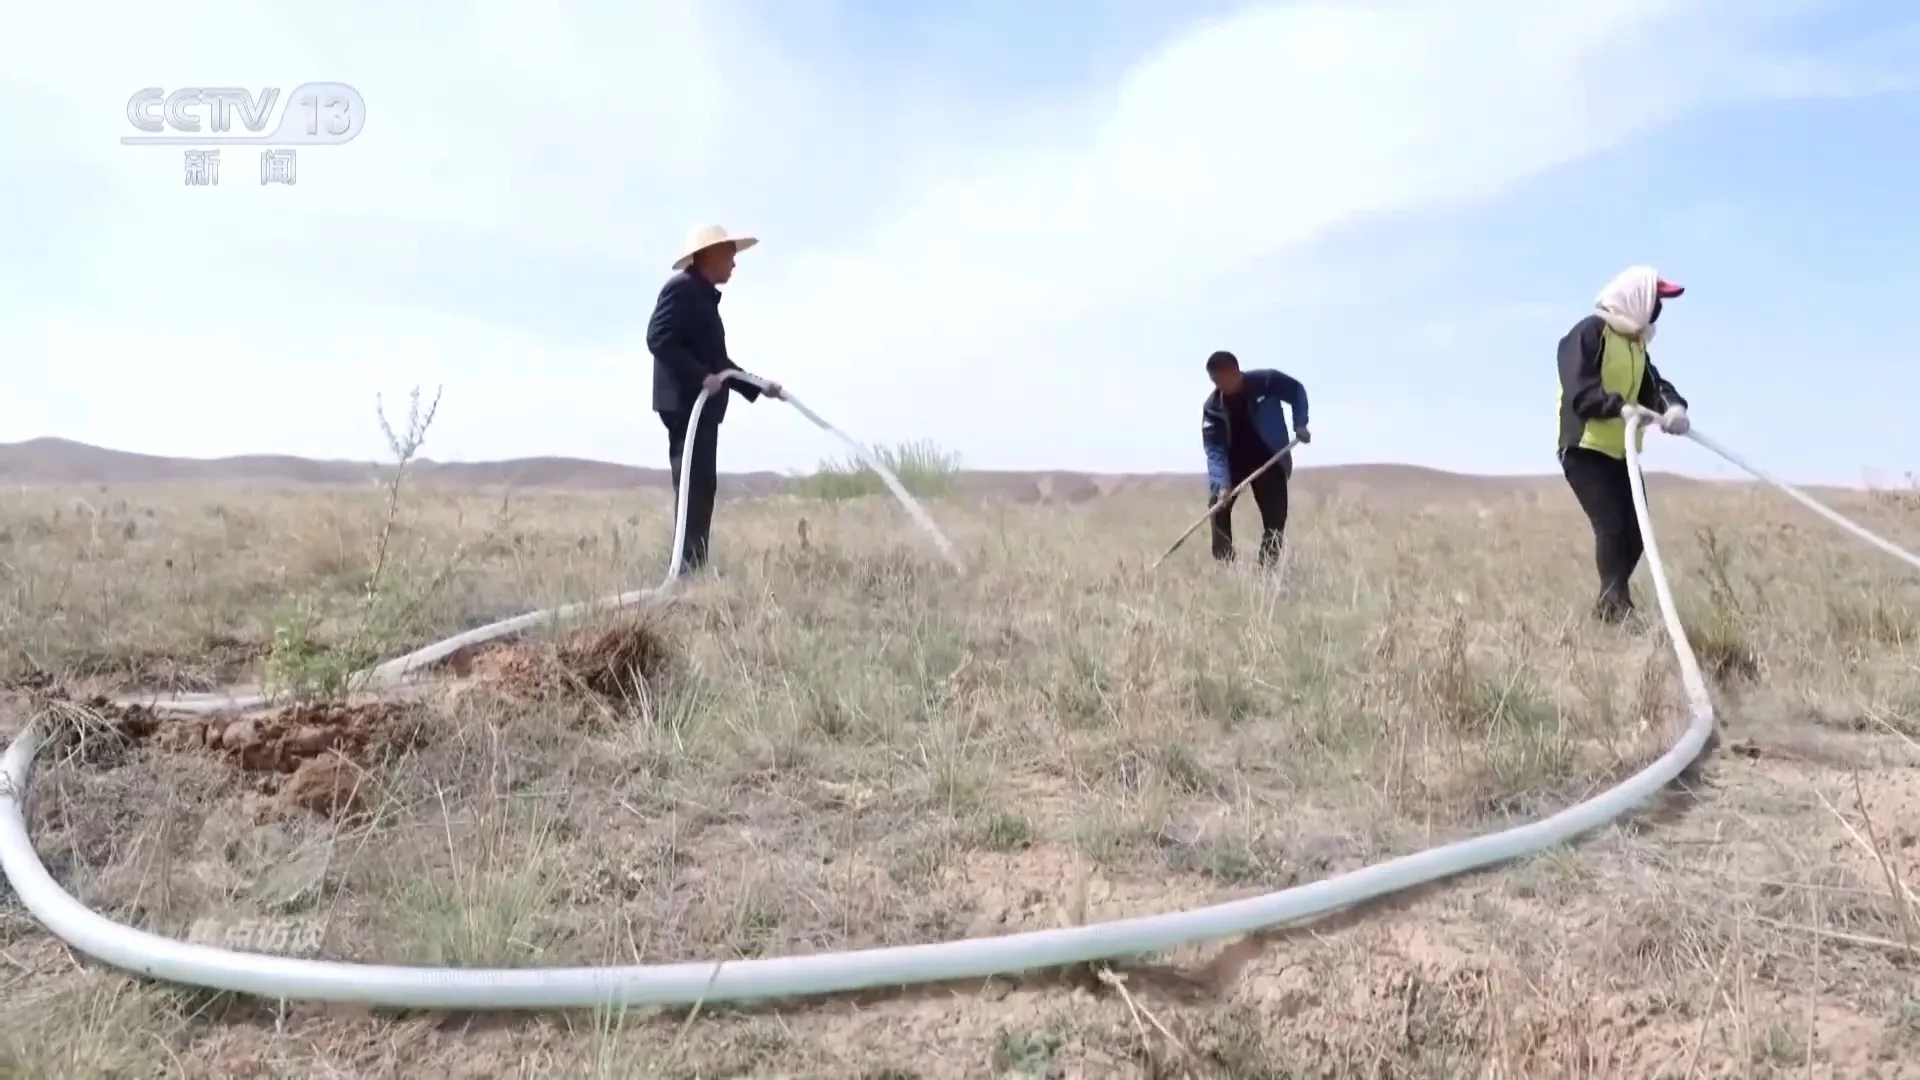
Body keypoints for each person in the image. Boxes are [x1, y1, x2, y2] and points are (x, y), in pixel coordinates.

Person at [1555, 265, 1691, 624]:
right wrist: (1619, 406)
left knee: (1635, 532)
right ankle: (1618, 609)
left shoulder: (1635, 347)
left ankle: (1609, 607)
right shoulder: (1589, 333)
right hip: (1584, 449)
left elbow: (1655, 386)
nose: (1658, 310)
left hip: (1621, 454)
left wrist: (1673, 409)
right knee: (1611, 526)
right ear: (1637, 299)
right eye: (1656, 301)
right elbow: (1580, 390)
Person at [646, 225, 784, 575]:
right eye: (730, 257)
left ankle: (693, 568)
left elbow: (720, 366)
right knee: (694, 485)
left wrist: (758, 385)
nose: (734, 266)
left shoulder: (702, 296)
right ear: (710, 256)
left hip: (701, 406)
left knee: (702, 485)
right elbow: (658, 338)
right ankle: (686, 573)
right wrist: (699, 376)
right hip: (685, 404)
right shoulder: (682, 290)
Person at [1200, 350, 1310, 566]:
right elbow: (1214, 449)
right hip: (1233, 463)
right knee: (1217, 506)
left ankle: (1268, 569)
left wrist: (1300, 423)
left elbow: (1296, 391)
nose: (1219, 387)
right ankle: (1226, 565)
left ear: (1235, 372)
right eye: (1214, 381)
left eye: (1222, 380)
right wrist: (1222, 484)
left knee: (1275, 518)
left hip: (1270, 456)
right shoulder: (1212, 407)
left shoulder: (1266, 381)